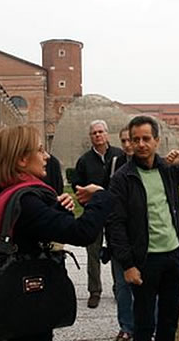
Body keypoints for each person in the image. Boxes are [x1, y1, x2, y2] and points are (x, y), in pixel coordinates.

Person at [0, 124, 113, 341]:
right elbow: (82, 233)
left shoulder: (0, 192)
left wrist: (55, 210)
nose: (46, 156)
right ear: (21, 159)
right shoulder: (26, 201)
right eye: (40, 150)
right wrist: (101, 197)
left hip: (5, 304)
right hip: (25, 307)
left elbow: (30, 230)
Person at [107, 115, 179, 341]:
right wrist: (128, 265)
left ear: (156, 141)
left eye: (146, 138)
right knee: (143, 324)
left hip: (173, 256)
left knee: (169, 322)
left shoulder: (168, 169)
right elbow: (115, 225)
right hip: (145, 260)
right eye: (136, 139)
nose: (141, 144)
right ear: (131, 143)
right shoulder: (122, 178)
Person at [71, 119, 123, 308]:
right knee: (92, 252)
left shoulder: (119, 156)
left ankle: (120, 288)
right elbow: (78, 186)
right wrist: (85, 202)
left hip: (115, 213)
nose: (98, 135)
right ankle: (95, 291)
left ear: (107, 134)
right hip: (93, 214)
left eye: (101, 132)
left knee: (118, 250)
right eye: (94, 133)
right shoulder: (84, 160)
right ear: (90, 137)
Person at [106, 126, 135, 341]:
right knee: (122, 285)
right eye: (123, 141)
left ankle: (149, 327)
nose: (127, 145)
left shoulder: (154, 165)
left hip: (144, 237)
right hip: (119, 235)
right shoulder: (115, 164)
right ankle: (126, 327)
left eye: (130, 140)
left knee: (149, 286)